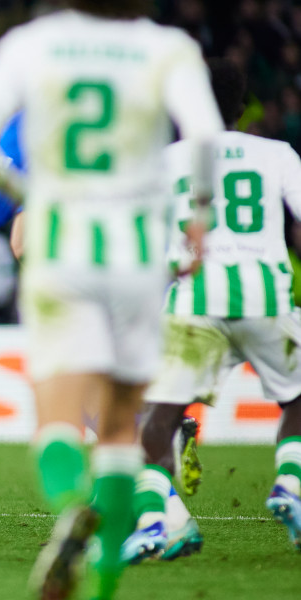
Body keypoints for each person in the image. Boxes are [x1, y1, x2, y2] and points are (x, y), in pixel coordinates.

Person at [0, 1, 223, 598]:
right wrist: (199, 216)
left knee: (60, 418)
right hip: (138, 251)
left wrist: (33, 192)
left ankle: (73, 505)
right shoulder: (166, 47)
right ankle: (103, 584)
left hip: (60, 246)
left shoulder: (32, 44)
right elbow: (204, 136)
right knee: (122, 425)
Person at [123, 59, 301, 562]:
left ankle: (154, 522)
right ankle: (290, 482)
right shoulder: (277, 154)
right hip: (265, 296)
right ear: (243, 108)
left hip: (194, 303)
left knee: (158, 421)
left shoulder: (166, 160)